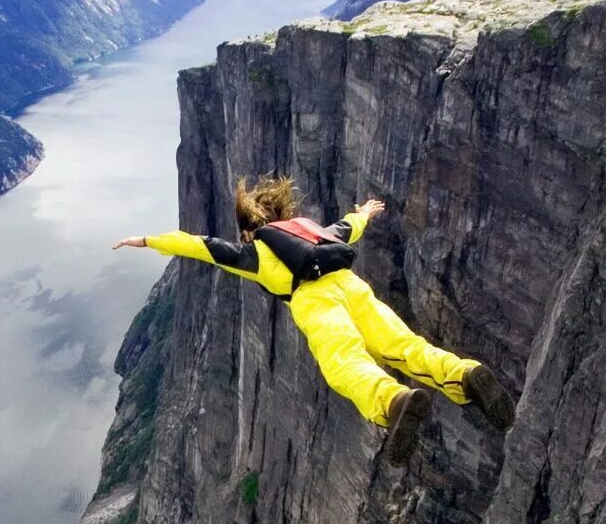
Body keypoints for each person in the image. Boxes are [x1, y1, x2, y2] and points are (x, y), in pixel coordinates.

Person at [112, 175, 514, 465]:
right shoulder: (311, 232)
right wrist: (365, 212)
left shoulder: (255, 253)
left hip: (315, 301)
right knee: (407, 348)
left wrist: (147, 240)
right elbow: (348, 227)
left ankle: (392, 401)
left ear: (250, 231)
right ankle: (466, 375)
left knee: (344, 364)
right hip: (353, 286)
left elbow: (200, 246)